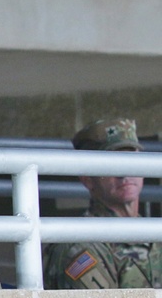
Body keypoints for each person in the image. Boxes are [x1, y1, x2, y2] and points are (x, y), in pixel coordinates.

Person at [43, 118, 162, 289]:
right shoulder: (79, 244)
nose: (125, 172)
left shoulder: (154, 233)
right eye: (112, 164)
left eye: (131, 159)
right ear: (88, 179)